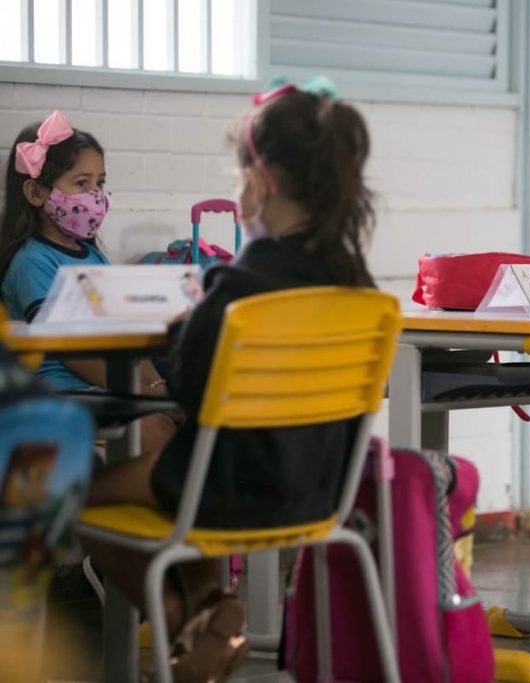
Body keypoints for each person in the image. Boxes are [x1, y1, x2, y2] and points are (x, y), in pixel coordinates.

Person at [82, 84, 376, 682]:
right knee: (151, 494)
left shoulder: (238, 289)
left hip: (226, 486)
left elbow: (188, 391)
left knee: (74, 499)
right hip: (320, 490)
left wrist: (185, 328)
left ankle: (192, 619)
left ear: (261, 180)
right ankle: (205, 621)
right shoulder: (359, 289)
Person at [0, 110, 178, 455]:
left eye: (100, 183)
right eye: (82, 184)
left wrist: (157, 385)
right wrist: (145, 395)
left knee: (187, 419)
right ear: (36, 193)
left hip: (106, 388)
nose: (96, 196)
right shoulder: (33, 262)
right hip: (62, 393)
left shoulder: (93, 257)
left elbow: (127, 336)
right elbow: (73, 354)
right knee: (156, 431)